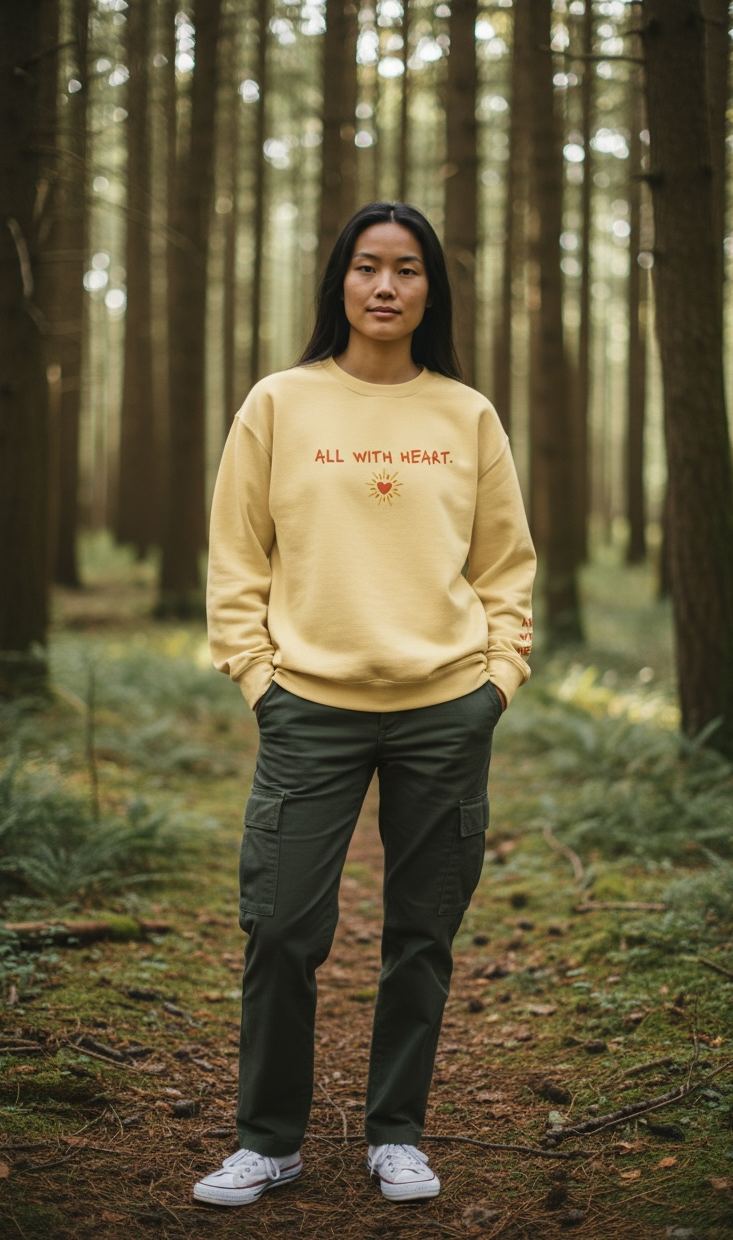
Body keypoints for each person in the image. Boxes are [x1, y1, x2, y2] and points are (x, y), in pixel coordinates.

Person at [195, 202, 536, 1208]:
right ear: (339, 281)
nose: (385, 286)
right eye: (367, 266)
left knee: (422, 934)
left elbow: (506, 565)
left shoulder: (466, 415)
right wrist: (257, 677)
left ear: (431, 289)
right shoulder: (278, 403)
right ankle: (268, 1141)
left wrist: (496, 682)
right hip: (307, 707)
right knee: (280, 927)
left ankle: (397, 1135)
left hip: (447, 709)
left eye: (407, 269)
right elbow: (235, 557)